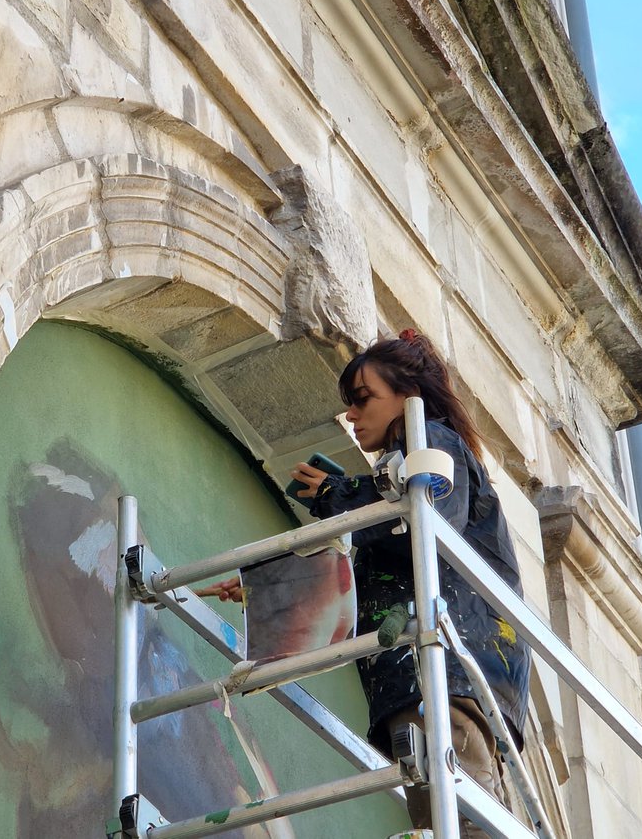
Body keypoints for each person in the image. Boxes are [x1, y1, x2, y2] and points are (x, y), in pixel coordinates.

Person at [205, 330, 530, 837]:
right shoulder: (398, 478)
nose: (351, 416)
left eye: (363, 399)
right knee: (450, 814)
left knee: (456, 818)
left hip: (447, 667)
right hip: (427, 672)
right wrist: (266, 587)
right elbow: (363, 588)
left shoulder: (433, 444)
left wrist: (341, 495)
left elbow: (428, 528)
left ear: (409, 397)